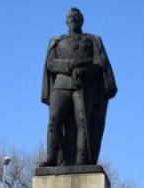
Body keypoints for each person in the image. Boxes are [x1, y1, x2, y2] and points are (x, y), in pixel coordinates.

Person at [40, 7, 117, 167]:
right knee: (54, 121)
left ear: (82, 20)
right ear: (66, 21)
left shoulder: (92, 40)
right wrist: (70, 64)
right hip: (61, 86)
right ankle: (52, 157)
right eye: (70, 17)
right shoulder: (57, 41)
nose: (73, 19)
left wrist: (85, 70)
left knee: (83, 122)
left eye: (76, 16)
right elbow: (50, 63)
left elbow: (100, 63)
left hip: (83, 85)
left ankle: (82, 159)